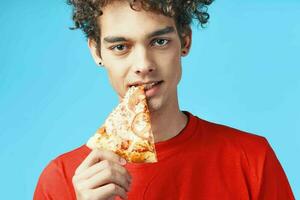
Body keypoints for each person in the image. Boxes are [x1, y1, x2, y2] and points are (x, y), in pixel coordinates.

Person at [34, 0, 295, 199]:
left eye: (159, 42)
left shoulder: (251, 158)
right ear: (96, 51)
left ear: (185, 41)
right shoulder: (62, 179)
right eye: (120, 47)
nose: (143, 65)